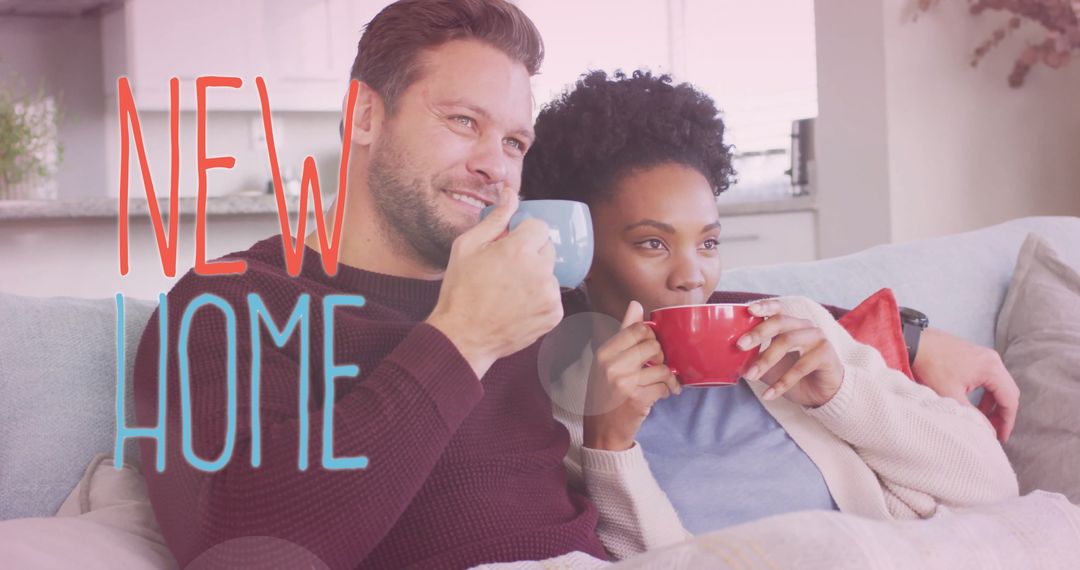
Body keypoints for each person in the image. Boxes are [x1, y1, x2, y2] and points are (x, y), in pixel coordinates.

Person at [131, 2, 659, 567]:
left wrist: (763, 328)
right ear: (363, 115)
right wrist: (463, 339)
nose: (496, 168)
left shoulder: (532, 289)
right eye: (463, 121)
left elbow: (672, 306)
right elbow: (244, 545)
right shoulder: (229, 304)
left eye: (514, 143)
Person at [520, 70, 1020, 557]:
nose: (692, 276)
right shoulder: (564, 415)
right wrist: (609, 448)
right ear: (582, 256)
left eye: (709, 242)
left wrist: (842, 395)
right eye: (653, 243)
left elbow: (995, 487)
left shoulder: (794, 331)